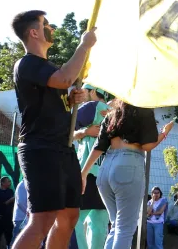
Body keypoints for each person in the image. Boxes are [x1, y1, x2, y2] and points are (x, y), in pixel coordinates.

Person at [10, 10, 93, 249]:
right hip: (40, 149)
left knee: (69, 218)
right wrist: (84, 45)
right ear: (34, 32)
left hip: (63, 149)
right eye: (46, 24)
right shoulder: (27, 63)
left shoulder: (47, 68)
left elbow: (58, 91)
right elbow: (65, 79)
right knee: (42, 220)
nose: (52, 28)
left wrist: (70, 99)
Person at [79, 99, 175, 249]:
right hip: (128, 166)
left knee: (117, 225)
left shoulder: (112, 114)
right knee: (125, 228)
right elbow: (147, 145)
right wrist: (164, 133)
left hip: (105, 169)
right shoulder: (144, 111)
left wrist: (83, 173)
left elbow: (99, 146)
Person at [72, 85, 111, 249]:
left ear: (93, 92)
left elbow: (66, 129)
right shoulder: (112, 112)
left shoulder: (91, 107)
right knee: (99, 223)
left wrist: (83, 132)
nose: (81, 95)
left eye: (84, 91)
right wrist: (85, 131)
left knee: (74, 219)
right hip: (107, 175)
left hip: (87, 174)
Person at [0, 176, 15, 249]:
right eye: (8, 181)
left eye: (10, 181)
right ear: (3, 183)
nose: (10, 183)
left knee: (10, 238)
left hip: (9, 219)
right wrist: (9, 201)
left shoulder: (10, 191)